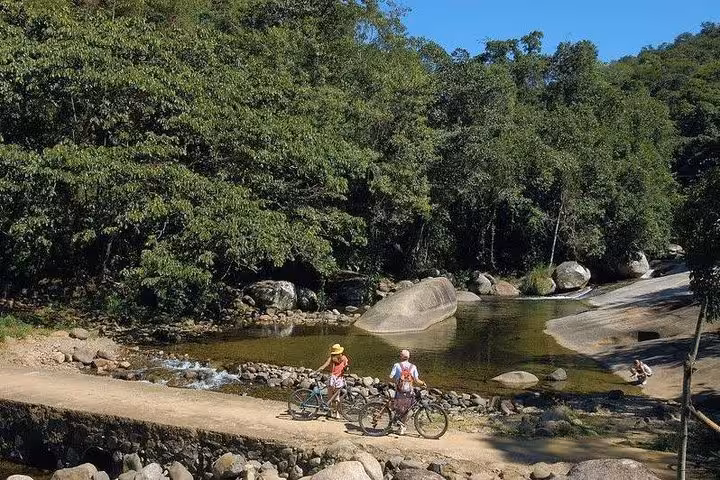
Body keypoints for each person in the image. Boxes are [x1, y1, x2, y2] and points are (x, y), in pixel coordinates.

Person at [389, 349, 426, 435]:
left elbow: (391, 377)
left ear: (401, 357)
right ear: (409, 357)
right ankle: (402, 427)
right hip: (409, 392)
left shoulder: (396, 365)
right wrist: (423, 383)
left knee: (397, 407)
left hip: (399, 391)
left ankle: (395, 422)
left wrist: (395, 378)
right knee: (407, 409)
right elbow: (416, 380)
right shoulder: (413, 367)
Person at [316, 343, 349, 419]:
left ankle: (332, 412)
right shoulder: (339, 358)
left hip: (334, 378)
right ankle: (333, 412)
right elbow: (346, 367)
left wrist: (318, 370)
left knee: (332, 397)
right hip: (336, 378)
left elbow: (325, 365)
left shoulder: (338, 358)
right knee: (334, 397)